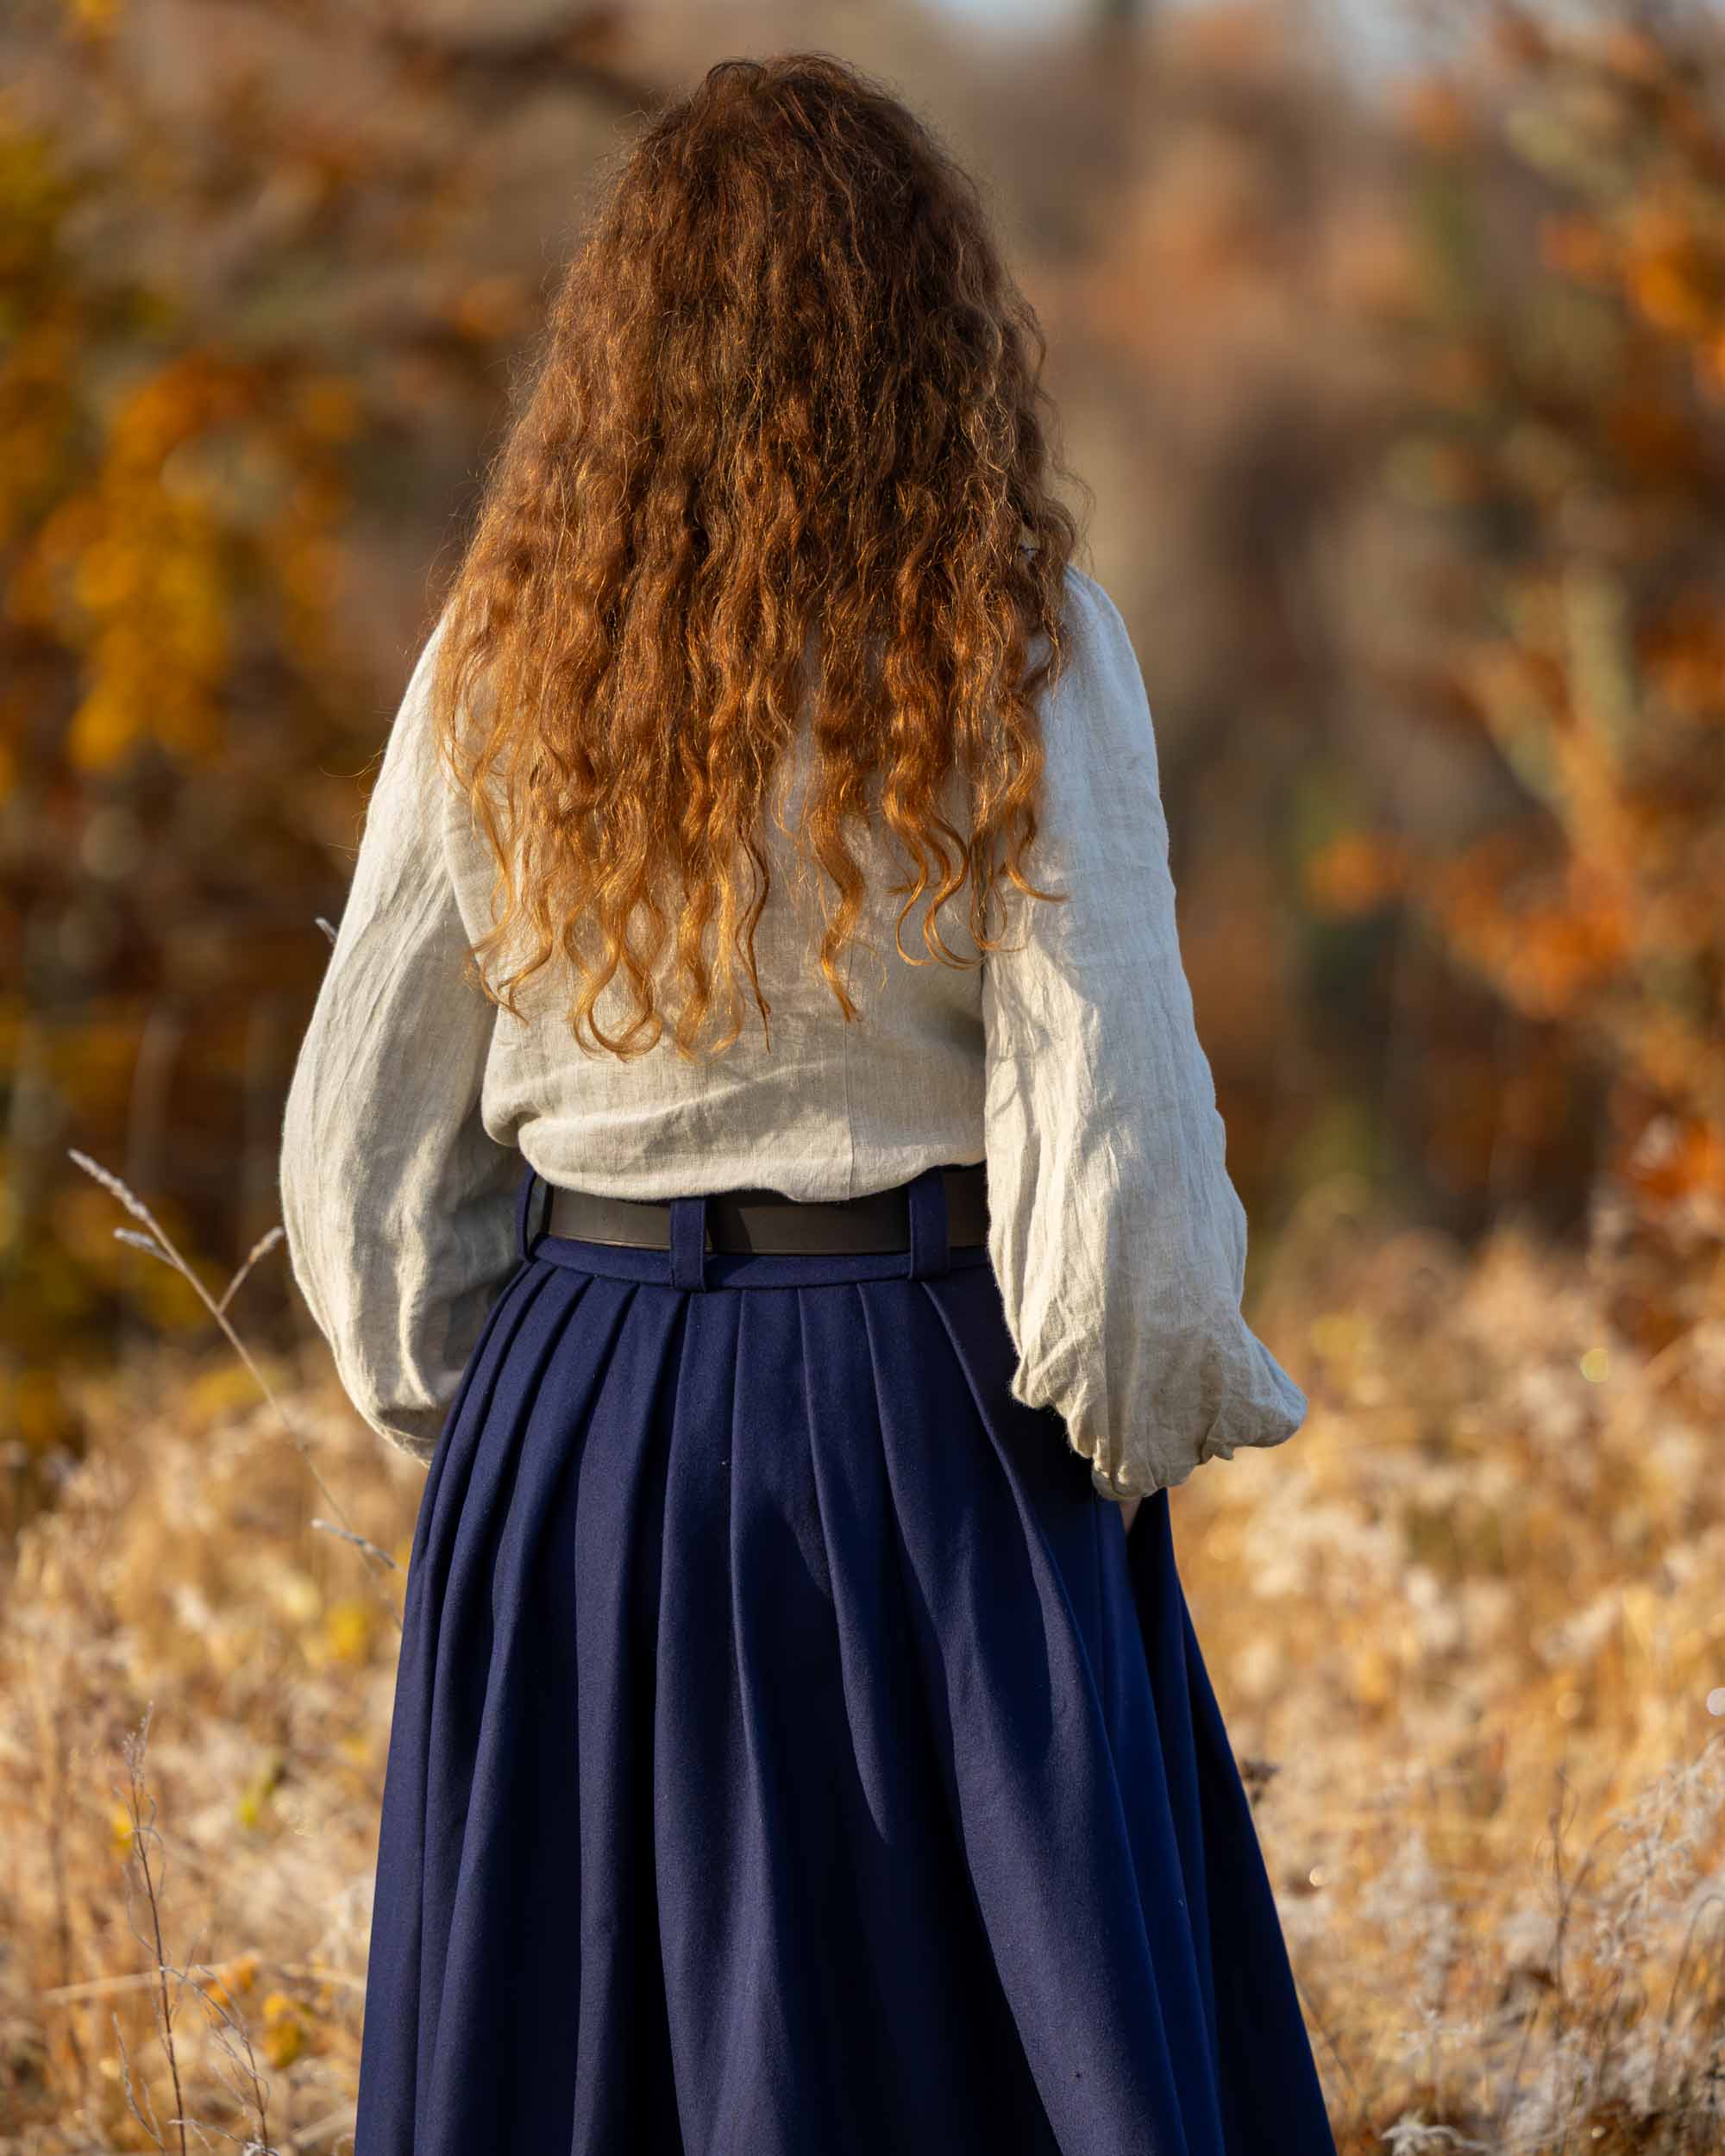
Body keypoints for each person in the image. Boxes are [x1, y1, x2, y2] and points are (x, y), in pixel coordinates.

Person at [279, 49, 1336, 2156]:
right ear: (926, 341)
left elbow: (361, 1169)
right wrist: (1122, 1447)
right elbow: (1111, 1169)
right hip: (934, 1420)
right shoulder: (1023, 650)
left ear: (617, 356)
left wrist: (520, 1427)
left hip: (580, 1422)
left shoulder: (498, 665)